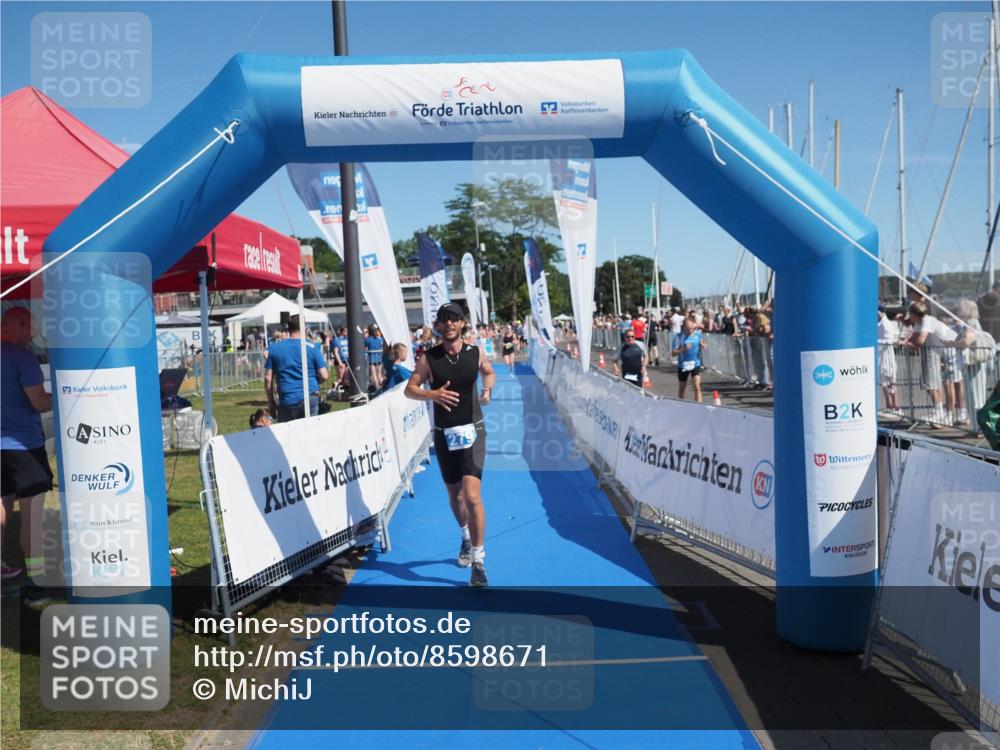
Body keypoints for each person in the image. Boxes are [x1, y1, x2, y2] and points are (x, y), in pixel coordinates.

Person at [405, 302, 495, 587]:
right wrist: (433, 395)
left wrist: (487, 388)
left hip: (473, 432)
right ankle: (466, 538)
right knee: (455, 498)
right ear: (438, 326)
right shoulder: (428, 358)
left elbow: (489, 371)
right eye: (444, 320)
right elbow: (410, 389)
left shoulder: (475, 351)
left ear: (462, 323)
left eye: (454, 319)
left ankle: (479, 561)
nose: (449, 324)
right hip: (444, 434)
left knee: (471, 495)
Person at [1, 308, 52, 587]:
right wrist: (63, 397)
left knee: (2, 507)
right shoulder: (23, 357)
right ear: (21, 326)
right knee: (32, 514)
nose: (34, 333)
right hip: (24, 447)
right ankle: (36, 577)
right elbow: (39, 402)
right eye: (32, 326)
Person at [904, 301, 972, 426]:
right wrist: (908, 340)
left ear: (915, 314)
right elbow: (913, 336)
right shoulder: (921, 321)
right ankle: (950, 413)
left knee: (949, 384)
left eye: (911, 315)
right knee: (948, 384)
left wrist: (907, 342)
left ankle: (949, 414)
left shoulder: (927, 321)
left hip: (951, 350)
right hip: (945, 350)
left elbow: (919, 340)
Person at [264, 315, 329, 422]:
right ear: (304, 329)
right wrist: (314, 384)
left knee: (287, 435)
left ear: (288, 329)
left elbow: (268, 378)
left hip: (287, 398)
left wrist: (271, 402)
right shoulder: (312, 347)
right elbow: (324, 375)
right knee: (311, 431)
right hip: (310, 396)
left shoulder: (274, 348)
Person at [672, 315, 706, 402]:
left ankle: (699, 407)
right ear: (683, 328)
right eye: (688, 329)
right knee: (682, 389)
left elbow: (704, 344)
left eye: (692, 328)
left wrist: (703, 345)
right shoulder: (678, 337)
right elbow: (673, 353)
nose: (690, 331)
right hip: (683, 365)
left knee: (697, 386)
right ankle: (681, 405)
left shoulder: (698, 334)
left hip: (696, 363)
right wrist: (683, 349)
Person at [876, 306, 901, 415]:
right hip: (882, 357)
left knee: (891, 383)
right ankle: (889, 407)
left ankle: (896, 408)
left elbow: (889, 340)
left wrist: (876, 342)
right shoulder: (880, 323)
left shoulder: (886, 324)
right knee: (884, 384)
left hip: (887, 357)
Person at [365, 325, 385, 392]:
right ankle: (383, 388)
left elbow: (364, 347)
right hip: (379, 357)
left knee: (374, 375)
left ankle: (377, 389)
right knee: (379, 374)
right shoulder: (380, 339)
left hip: (371, 358)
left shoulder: (367, 339)